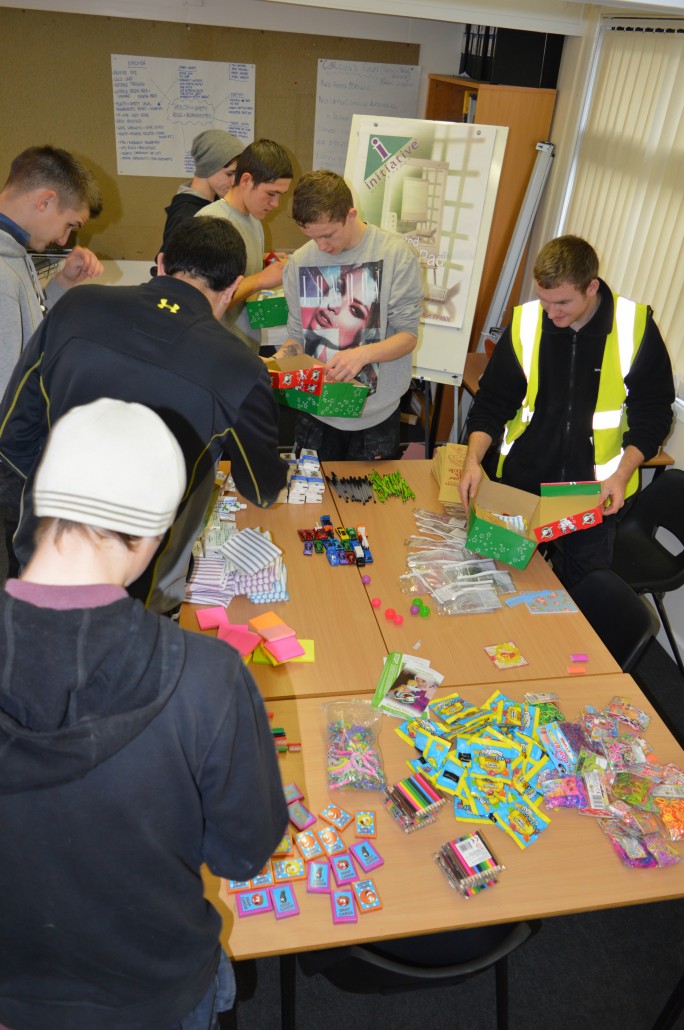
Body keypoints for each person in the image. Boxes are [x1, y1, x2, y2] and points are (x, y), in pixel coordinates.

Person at [0, 398, 287, 1030]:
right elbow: (244, 852)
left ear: (44, 505)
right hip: (155, 991)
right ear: (156, 534)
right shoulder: (208, 677)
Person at [0, 216, 288, 614]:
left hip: (42, 548)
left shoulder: (78, 305)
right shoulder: (241, 367)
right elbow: (261, 489)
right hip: (139, 580)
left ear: (161, 262)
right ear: (234, 286)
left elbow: (13, 432)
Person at [459, 235, 674, 586]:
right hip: (521, 486)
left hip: (594, 496)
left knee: (583, 595)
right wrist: (472, 460)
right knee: (496, 582)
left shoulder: (634, 326)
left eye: (562, 303)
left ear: (591, 287)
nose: (551, 313)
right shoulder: (527, 322)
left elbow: (653, 411)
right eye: (544, 301)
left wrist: (621, 475)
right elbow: (493, 401)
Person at [0, 145, 103, 572]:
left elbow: (27, 324)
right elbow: (8, 393)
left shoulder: (15, 257)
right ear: (44, 199)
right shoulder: (3, 277)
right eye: (68, 225)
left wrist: (60, 286)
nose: (64, 240)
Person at [277, 169, 423, 461]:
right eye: (311, 237)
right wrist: (278, 363)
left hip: (375, 419)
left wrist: (362, 355)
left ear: (350, 214)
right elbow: (296, 336)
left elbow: (408, 337)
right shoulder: (300, 262)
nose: (321, 247)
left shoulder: (395, 255)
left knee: (368, 506)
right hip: (315, 415)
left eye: (328, 235)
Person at [199, 138, 293, 354]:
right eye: (271, 193)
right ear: (247, 181)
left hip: (244, 352)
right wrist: (260, 279)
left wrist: (266, 264)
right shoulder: (209, 224)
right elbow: (204, 302)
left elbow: (236, 280)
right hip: (215, 354)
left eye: (281, 195)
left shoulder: (255, 223)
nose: (276, 204)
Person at [153, 128, 243, 267]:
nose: (233, 182)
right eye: (229, 174)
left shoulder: (213, 203)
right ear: (209, 167)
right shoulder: (186, 215)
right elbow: (169, 267)